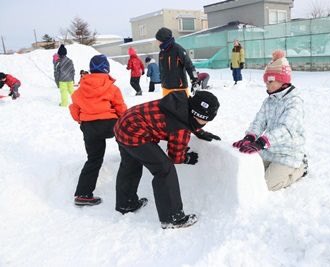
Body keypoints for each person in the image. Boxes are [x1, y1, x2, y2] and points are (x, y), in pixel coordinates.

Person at [114, 90, 221, 229]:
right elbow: (175, 156)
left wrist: (199, 132)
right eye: (205, 120)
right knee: (164, 170)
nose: (206, 123)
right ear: (196, 114)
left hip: (123, 125)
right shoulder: (180, 128)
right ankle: (172, 218)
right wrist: (187, 158)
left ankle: (126, 203)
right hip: (134, 133)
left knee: (130, 165)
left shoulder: (179, 104)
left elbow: (184, 118)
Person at [232, 50, 308, 191]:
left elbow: (286, 129)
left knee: (267, 185)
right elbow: (259, 121)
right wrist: (250, 137)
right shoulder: (270, 100)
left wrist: (262, 142)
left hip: (288, 153)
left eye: (270, 81)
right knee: (251, 174)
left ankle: (300, 169)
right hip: (270, 149)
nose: (267, 84)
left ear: (283, 80)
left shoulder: (294, 102)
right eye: (266, 81)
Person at [69, 55, 127, 206]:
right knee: (125, 145)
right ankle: (127, 161)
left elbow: (74, 109)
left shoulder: (80, 90)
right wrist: (124, 122)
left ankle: (83, 194)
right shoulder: (112, 88)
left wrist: (81, 120)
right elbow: (121, 108)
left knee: (94, 159)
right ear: (106, 68)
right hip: (110, 124)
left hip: (89, 126)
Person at [155, 27, 198, 97]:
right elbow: (161, 69)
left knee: (182, 108)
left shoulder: (178, 49)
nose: (156, 41)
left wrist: (195, 79)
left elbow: (189, 65)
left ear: (163, 39)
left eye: (158, 39)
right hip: (166, 88)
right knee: (167, 108)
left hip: (179, 88)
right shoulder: (162, 53)